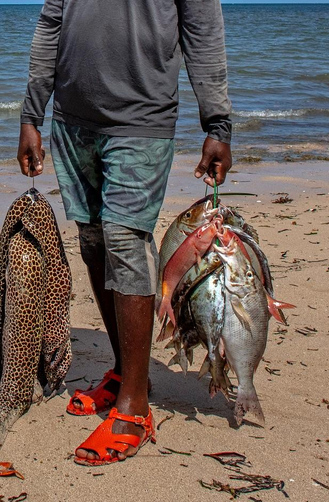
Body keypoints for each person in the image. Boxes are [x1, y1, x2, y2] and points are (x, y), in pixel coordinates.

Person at [16, 0, 232, 465]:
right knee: (94, 243)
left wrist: (217, 123)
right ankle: (125, 371)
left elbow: (204, 33)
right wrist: (31, 115)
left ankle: (134, 407)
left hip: (141, 120)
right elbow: (51, 24)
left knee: (125, 240)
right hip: (73, 123)